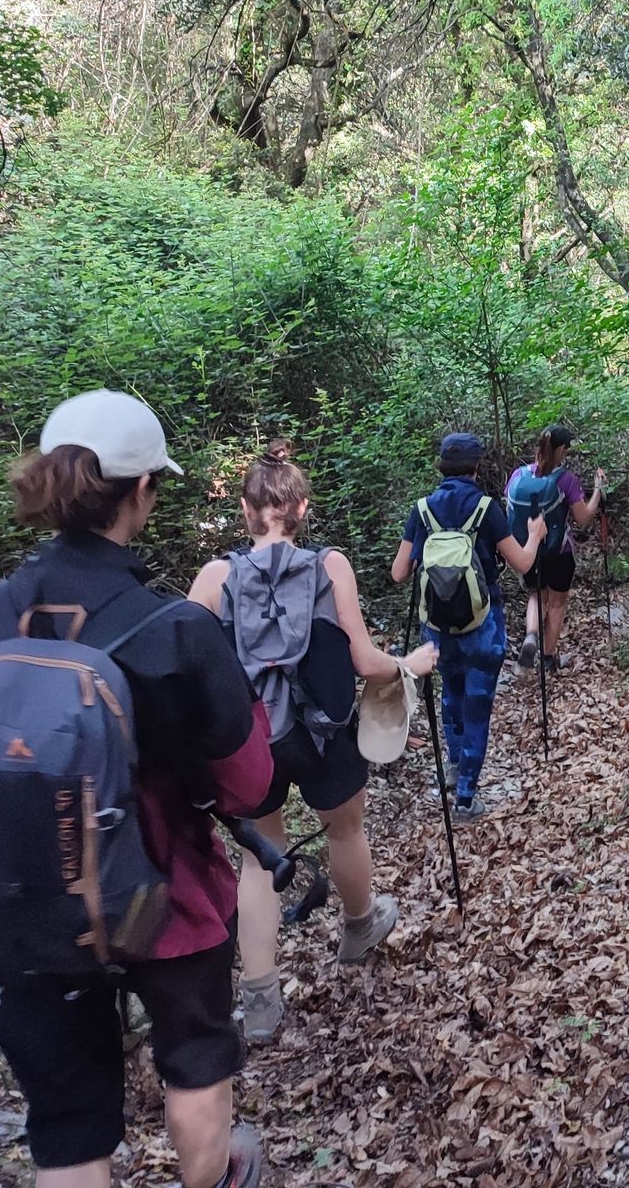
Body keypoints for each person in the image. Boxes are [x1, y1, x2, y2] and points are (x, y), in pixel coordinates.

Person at [0, 390, 272, 1188]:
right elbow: (250, 783)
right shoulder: (178, 631)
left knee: (68, 1127)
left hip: (19, 909)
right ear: (142, 490)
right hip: (170, 909)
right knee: (197, 1068)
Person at [185, 443, 440, 1045]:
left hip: (249, 740)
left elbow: (187, 669)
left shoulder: (214, 578)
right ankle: (359, 925)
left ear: (246, 510)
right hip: (325, 730)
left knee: (257, 856)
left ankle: (262, 999)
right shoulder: (331, 567)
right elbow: (361, 659)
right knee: (345, 829)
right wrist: (409, 665)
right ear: (301, 508)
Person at [390, 433, 544, 820]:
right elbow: (523, 564)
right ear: (477, 466)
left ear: (441, 465)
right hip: (482, 625)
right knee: (478, 707)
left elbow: (398, 573)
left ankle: (456, 768)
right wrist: (537, 535)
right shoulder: (487, 508)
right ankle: (465, 797)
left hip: (438, 629)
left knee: (450, 698)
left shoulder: (422, 509)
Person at [508, 423, 607, 678]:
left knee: (535, 595)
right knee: (557, 604)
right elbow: (583, 518)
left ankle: (531, 635)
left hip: (528, 550)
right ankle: (548, 658)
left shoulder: (518, 476)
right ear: (561, 449)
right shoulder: (566, 480)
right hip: (559, 552)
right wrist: (598, 489)